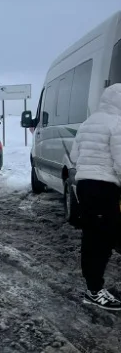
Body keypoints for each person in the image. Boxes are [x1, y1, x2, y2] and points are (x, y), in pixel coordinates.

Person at [71, 83, 121, 310]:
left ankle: (93, 287)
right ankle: (93, 291)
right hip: (105, 187)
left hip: (84, 186)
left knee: (93, 236)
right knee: (101, 239)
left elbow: (74, 156)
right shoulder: (117, 123)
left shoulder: (88, 123)